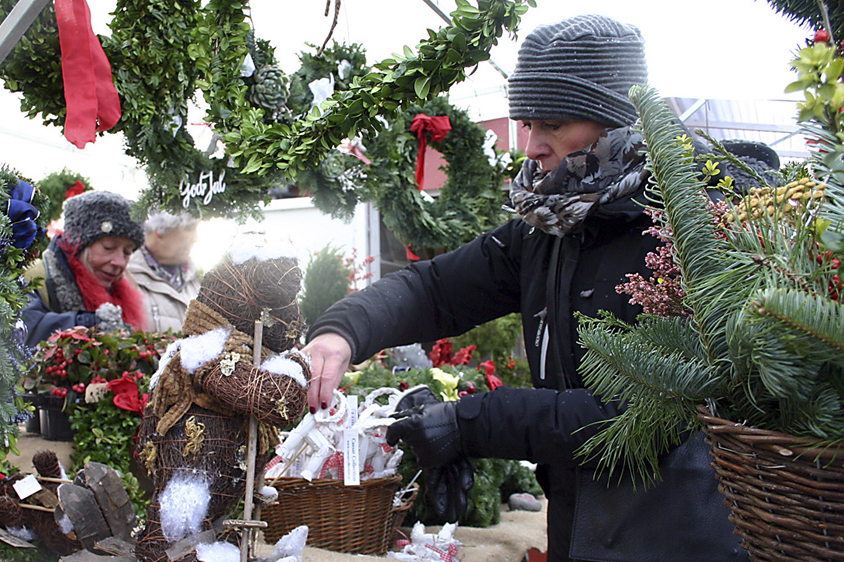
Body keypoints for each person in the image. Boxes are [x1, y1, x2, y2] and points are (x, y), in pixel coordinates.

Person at [301, 14, 747, 562]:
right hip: (576, 533)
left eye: (552, 124)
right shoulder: (553, 223)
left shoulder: (694, 227)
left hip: (678, 536)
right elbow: (437, 289)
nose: (531, 145)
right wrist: (342, 332)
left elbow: (643, 416)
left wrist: (471, 423)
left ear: (614, 120)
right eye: (527, 122)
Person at [22, 190, 147, 348]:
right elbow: (27, 330)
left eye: (127, 252)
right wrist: (90, 324)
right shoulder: (34, 278)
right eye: (108, 247)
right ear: (78, 245)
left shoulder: (127, 292)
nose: (119, 262)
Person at [126, 210, 201, 333]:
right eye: (190, 228)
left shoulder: (198, 279)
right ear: (159, 231)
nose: (196, 238)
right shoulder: (128, 276)